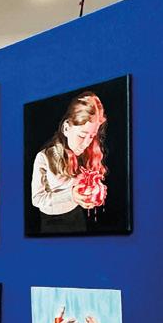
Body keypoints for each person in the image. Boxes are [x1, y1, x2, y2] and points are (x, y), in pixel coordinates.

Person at [30, 91, 108, 234]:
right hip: (52, 223)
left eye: (91, 136)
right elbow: (37, 199)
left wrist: (93, 194)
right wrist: (71, 195)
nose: (86, 143)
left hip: (77, 217)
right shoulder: (44, 157)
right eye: (82, 135)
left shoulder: (86, 155)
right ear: (66, 128)